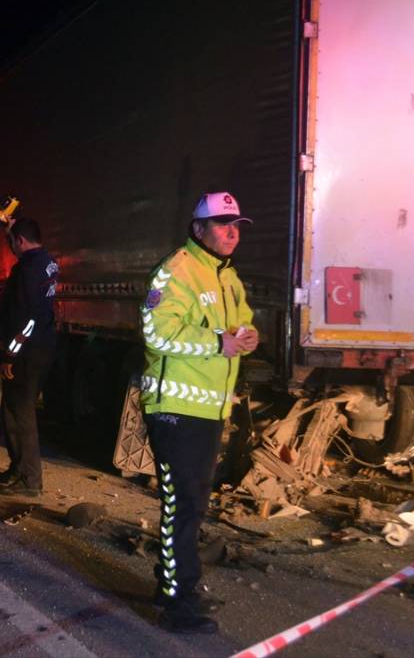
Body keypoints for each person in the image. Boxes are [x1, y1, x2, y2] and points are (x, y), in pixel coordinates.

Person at [140, 191, 258, 634]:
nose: (232, 233)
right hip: (174, 410)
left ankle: (173, 583)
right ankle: (176, 601)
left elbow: (243, 319)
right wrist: (218, 343)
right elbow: (156, 331)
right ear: (198, 230)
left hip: (207, 411)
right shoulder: (177, 271)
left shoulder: (226, 277)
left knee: (193, 504)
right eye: (223, 225)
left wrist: (248, 336)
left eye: (237, 226)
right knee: (182, 505)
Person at [0, 217, 59, 498]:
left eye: (11, 242)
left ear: (20, 241)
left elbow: (26, 320)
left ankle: (29, 478)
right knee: (13, 408)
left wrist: (10, 354)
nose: (11, 248)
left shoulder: (27, 269)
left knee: (21, 412)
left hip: (27, 350)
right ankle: (18, 468)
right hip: (42, 345)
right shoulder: (46, 262)